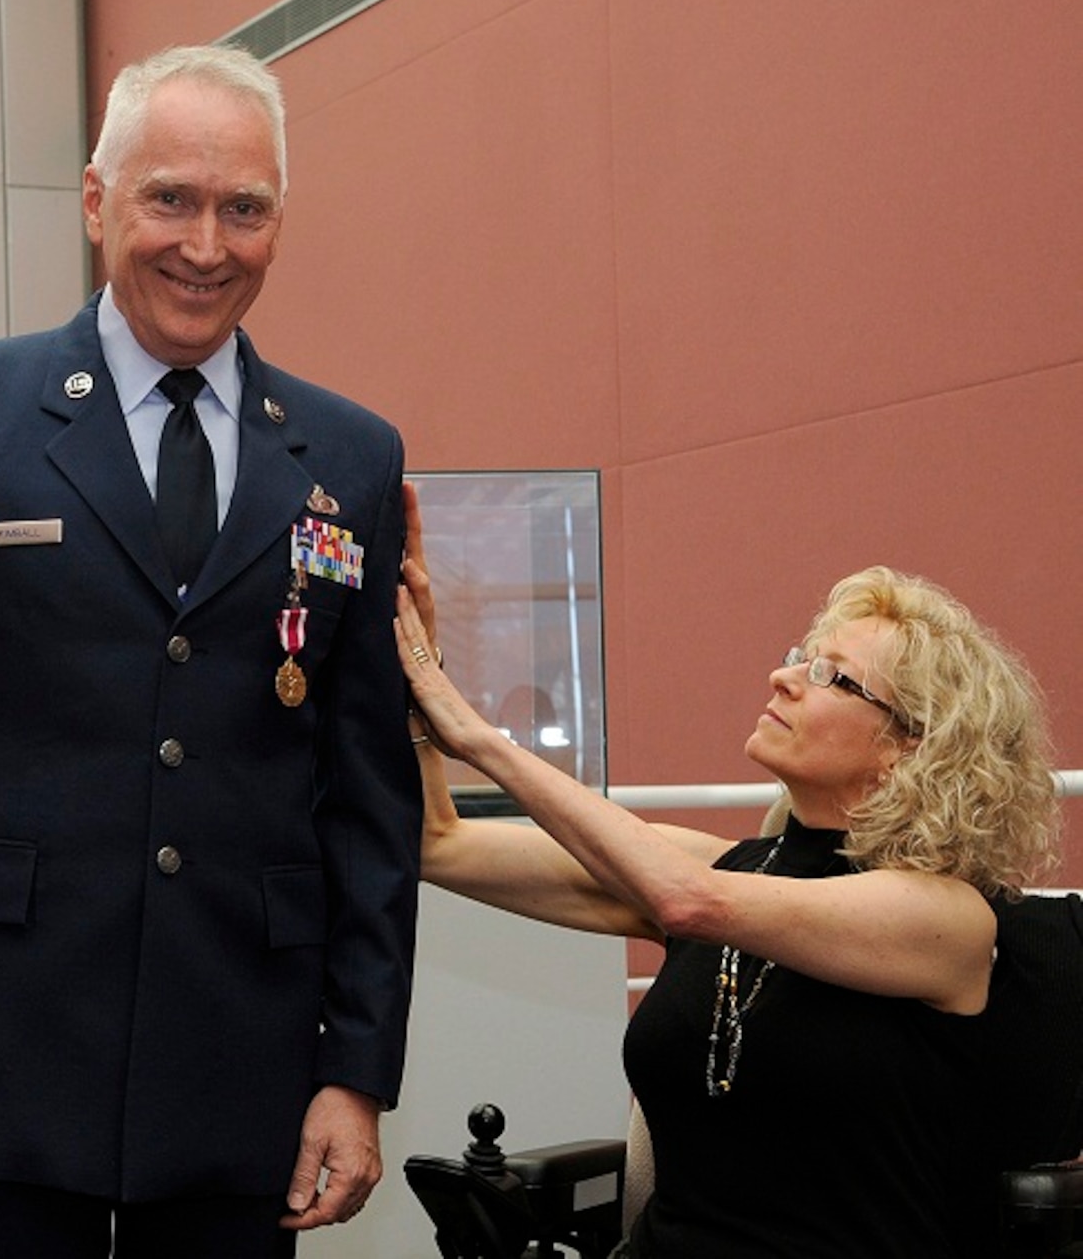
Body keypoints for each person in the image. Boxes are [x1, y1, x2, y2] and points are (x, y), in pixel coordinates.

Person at [0, 44, 422, 1257]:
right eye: (170, 199)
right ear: (97, 202)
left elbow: (367, 799)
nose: (206, 244)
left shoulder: (351, 457)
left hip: (241, 1069)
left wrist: (354, 1073)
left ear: (277, 222)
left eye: (242, 208)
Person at [395, 483, 1062, 1258]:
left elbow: (688, 902)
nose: (784, 678)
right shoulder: (735, 867)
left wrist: (477, 734)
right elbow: (437, 843)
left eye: (831, 676)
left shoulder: (946, 920)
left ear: (906, 748)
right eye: (798, 659)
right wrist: (420, 673)